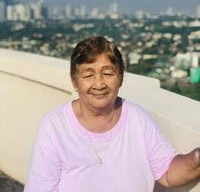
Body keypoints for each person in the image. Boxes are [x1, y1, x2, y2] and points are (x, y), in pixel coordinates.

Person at [24, 36, 200, 192]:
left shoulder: (136, 118)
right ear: (74, 81)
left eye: (108, 73)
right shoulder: (55, 126)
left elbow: (168, 173)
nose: (99, 84)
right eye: (88, 75)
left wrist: (197, 157)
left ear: (121, 78)